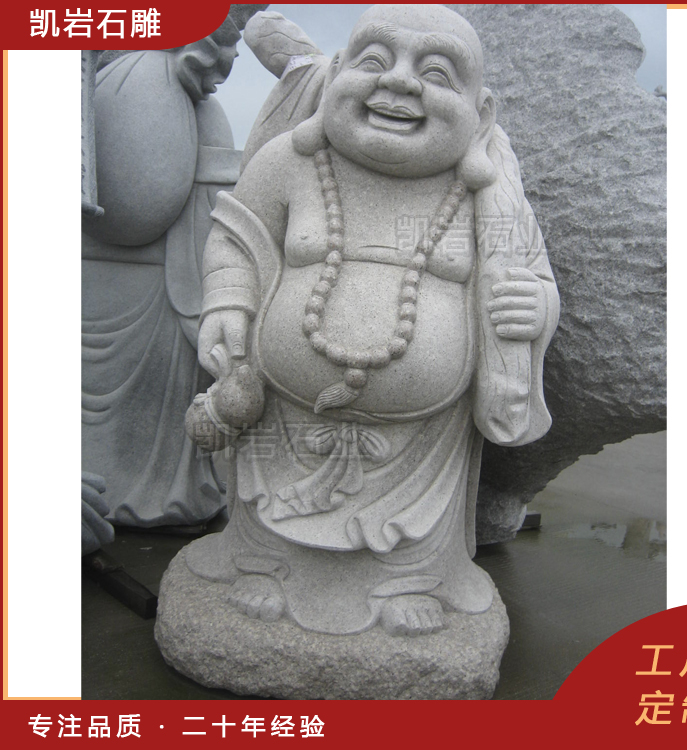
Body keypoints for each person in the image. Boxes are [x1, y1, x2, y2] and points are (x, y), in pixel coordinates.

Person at [185, 4, 559, 636]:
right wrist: (227, 301)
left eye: (436, 74)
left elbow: (532, 277)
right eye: (375, 61)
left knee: (410, 532)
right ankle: (263, 566)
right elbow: (236, 241)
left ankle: (407, 582)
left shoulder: (488, 197)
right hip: (285, 412)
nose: (400, 82)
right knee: (267, 504)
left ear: (481, 111)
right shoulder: (290, 162)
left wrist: (536, 306)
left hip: (424, 438)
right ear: (334, 75)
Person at [81, 13, 252, 527]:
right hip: (99, 284)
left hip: (169, 287)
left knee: (166, 409)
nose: (231, 58)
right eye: (225, 38)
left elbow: (216, 212)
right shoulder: (120, 80)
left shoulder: (202, 112)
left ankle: (170, 494)